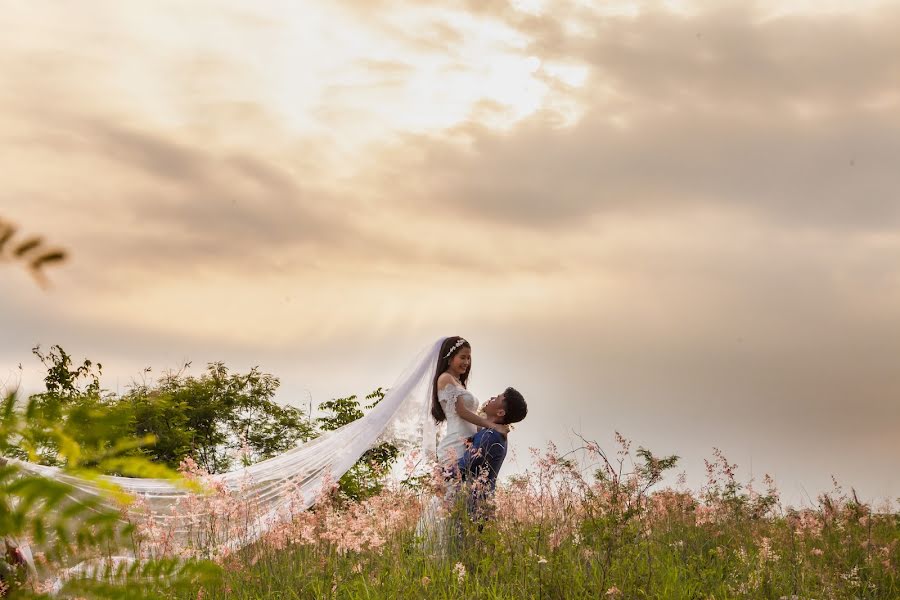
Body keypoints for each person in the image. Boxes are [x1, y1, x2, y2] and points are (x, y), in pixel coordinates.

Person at [430, 336, 509, 467]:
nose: (467, 362)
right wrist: (492, 425)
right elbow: (461, 412)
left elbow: (470, 420)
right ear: (449, 359)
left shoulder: (459, 383)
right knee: (457, 485)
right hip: (455, 445)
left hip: (470, 444)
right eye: (463, 357)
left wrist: (495, 428)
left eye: (468, 358)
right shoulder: (445, 378)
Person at [457, 388, 528, 525]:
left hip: (474, 509)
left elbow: (464, 467)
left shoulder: (491, 437)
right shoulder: (491, 433)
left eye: (497, 398)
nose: (491, 397)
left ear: (500, 412)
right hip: (479, 506)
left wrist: (437, 470)